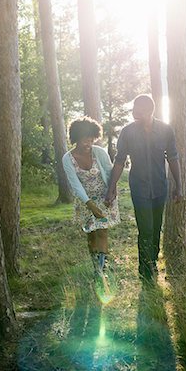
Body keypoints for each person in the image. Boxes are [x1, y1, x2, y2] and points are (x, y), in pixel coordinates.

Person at [105, 94, 182, 283]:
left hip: (160, 187)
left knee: (156, 229)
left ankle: (153, 261)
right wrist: (111, 187)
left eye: (136, 108)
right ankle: (145, 271)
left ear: (148, 110)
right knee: (145, 229)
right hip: (139, 188)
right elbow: (120, 160)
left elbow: (173, 158)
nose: (132, 112)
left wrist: (178, 186)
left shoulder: (165, 130)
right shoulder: (128, 132)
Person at [62, 117, 120, 279]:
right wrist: (90, 205)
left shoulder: (99, 153)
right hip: (85, 200)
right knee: (91, 233)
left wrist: (111, 193)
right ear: (76, 138)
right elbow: (75, 185)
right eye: (84, 140)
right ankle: (95, 265)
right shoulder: (68, 159)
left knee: (102, 232)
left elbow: (110, 175)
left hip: (104, 196)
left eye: (91, 139)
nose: (88, 143)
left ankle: (101, 271)